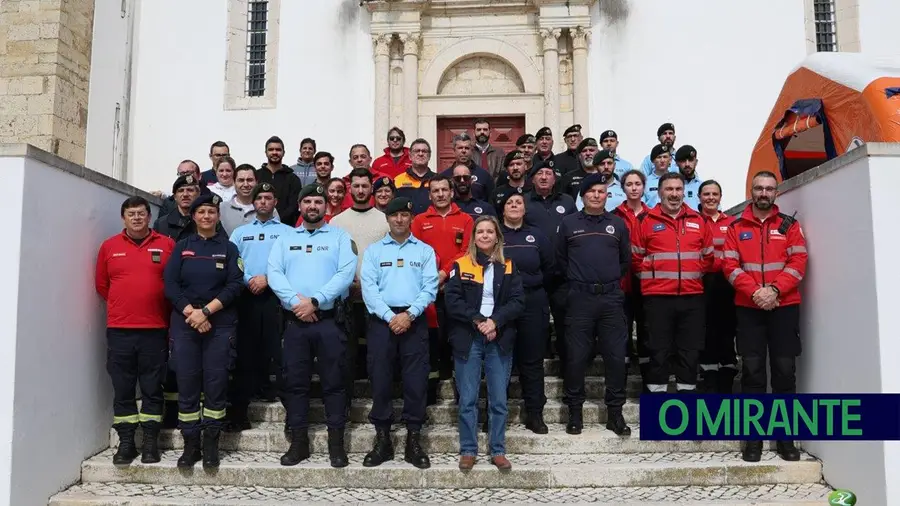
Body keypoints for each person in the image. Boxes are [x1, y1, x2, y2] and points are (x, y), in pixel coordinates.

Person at [267, 183, 357, 468]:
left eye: (318, 201)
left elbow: (346, 273)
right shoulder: (285, 238)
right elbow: (274, 273)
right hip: (295, 322)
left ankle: (336, 444)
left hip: (329, 321)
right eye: (307, 202)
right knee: (295, 384)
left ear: (325, 205)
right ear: (300, 205)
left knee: (334, 383)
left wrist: (316, 301)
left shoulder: (340, 237)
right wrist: (297, 303)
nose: (313, 206)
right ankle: (299, 443)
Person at [722, 171, 807, 463]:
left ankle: (786, 439)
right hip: (749, 310)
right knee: (753, 374)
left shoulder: (790, 226)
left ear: (776, 193)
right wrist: (756, 293)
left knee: (785, 374)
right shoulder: (736, 227)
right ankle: (754, 439)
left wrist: (773, 290)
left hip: (783, 307)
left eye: (769, 189)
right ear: (752, 191)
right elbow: (730, 266)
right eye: (758, 188)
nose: (763, 193)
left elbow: (798, 262)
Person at [163, 193, 243, 469]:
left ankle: (211, 445)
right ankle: (190, 445)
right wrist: (192, 313)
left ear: (218, 217)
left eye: (211, 212)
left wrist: (206, 312)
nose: (207, 216)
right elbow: (170, 284)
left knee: (216, 385)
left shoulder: (229, 249)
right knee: (186, 384)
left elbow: (234, 285)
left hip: (218, 324)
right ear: (194, 216)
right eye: (202, 212)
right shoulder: (182, 246)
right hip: (186, 324)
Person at [95, 196, 175, 465]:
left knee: (153, 388)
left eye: (141, 213)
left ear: (149, 217)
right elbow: (102, 286)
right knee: (123, 388)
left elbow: (173, 284)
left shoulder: (166, 245)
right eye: (132, 214)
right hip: (120, 330)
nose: (137, 218)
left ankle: (151, 443)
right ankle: (127, 443)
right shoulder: (109, 247)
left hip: (155, 329)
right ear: (124, 218)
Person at [360, 197, 438, 469]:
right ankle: (382, 440)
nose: (400, 220)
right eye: (395, 215)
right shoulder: (373, 252)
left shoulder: (425, 251)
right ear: (387, 218)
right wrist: (391, 316)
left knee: (416, 381)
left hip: (413, 320)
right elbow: (369, 289)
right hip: (382, 322)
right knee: (380, 380)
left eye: (405, 214)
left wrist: (409, 314)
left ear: (411, 218)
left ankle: (413, 442)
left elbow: (430, 288)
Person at [444, 216, 524, 471]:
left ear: (497, 237)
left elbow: (517, 301)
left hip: (498, 337)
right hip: (469, 337)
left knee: (498, 399)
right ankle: (468, 450)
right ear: (474, 236)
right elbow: (453, 301)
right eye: (480, 231)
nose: (485, 236)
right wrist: (479, 320)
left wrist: (495, 322)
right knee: (468, 398)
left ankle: (497, 449)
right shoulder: (461, 264)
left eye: (490, 231)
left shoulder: (509, 265)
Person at [557, 173, 632, 436]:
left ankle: (615, 414)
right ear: (583, 195)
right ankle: (575, 414)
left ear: (606, 195)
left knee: (615, 358)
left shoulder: (618, 224)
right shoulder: (568, 224)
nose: (597, 196)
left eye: (601, 191)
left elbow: (625, 261)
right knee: (576, 358)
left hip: (611, 299)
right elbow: (561, 260)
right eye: (592, 191)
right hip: (580, 299)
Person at [632, 172, 715, 395]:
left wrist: (692, 274)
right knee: (658, 352)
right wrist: (655, 281)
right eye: (669, 189)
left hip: (692, 298)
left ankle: (685, 403)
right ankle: (657, 403)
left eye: (678, 189)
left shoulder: (699, 221)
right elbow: (636, 258)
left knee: (689, 353)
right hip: (658, 299)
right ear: (659, 192)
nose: (674, 194)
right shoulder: (645, 221)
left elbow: (708, 257)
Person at [227, 182, 294, 430]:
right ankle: (239, 414)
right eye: (259, 198)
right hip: (247, 296)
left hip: (276, 297)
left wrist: (268, 278)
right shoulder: (240, 233)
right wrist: (250, 280)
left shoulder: (288, 232)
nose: (263, 202)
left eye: (268, 197)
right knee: (246, 352)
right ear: (253, 204)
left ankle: (288, 411)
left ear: (275, 201)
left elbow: (291, 263)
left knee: (279, 352)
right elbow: (234, 262)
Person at [330, 169, 391, 408]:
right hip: (346, 300)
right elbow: (332, 260)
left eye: (365, 186)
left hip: (377, 300)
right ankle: (343, 408)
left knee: (378, 357)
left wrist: (369, 286)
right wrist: (348, 283)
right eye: (356, 186)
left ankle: (380, 407)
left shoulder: (384, 220)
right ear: (350, 188)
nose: (361, 190)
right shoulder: (337, 222)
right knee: (345, 356)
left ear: (371, 188)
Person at [499, 187, 555, 434]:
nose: (514, 205)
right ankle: (496, 414)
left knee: (532, 362)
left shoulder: (537, 236)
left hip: (532, 303)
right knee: (498, 362)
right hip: (501, 306)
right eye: (509, 202)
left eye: (518, 202)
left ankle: (535, 414)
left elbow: (551, 268)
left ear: (524, 208)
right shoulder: (494, 235)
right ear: (503, 208)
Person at [695, 180, 738, 394]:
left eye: (714, 194)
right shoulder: (693, 221)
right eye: (706, 194)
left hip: (727, 284)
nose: (710, 197)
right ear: (699, 197)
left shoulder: (731, 222)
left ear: (720, 197)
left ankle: (727, 380)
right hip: (702, 282)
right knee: (706, 333)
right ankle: (709, 381)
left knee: (727, 333)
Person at [612, 170, 651, 389]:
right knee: (622, 332)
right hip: (622, 283)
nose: (634, 188)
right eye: (629, 184)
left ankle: (648, 382)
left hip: (647, 283)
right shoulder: (615, 215)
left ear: (644, 187)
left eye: (637, 184)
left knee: (647, 331)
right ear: (623, 188)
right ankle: (621, 382)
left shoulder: (654, 215)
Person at [220, 164, 282, 235]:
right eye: (241, 180)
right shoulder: (222, 208)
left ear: (257, 182)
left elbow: (277, 234)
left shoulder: (270, 209)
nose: (246, 184)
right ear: (234, 183)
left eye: (250, 180)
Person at [256, 135, 303, 226]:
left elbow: (294, 206)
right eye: (271, 149)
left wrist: (276, 220)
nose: (274, 152)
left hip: (285, 227)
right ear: (266, 152)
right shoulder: (256, 175)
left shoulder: (293, 179)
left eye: (278, 150)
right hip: (259, 225)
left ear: (283, 152)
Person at [394, 138, 437, 215]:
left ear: (429, 156)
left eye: (424, 151)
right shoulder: (398, 180)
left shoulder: (438, 180)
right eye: (417, 151)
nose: (420, 154)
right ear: (410, 156)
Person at [154, 174, 201, 242]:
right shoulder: (161, 224)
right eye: (181, 190)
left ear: (198, 194)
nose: (185, 194)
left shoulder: (206, 221)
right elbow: (156, 250)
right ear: (175, 197)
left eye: (190, 190)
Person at [674, 145, 702, 210]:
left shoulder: (703, 187)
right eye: (683, 161)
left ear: (696, 162)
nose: (687, 164)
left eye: (690, 160)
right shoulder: (671, 187)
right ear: (676, 163)